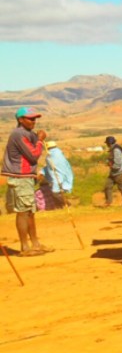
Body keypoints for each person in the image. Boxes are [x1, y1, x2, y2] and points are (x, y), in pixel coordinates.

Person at [3, 107, 52, 256]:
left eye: (34, 118)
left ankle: (35, 244)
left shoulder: (27, 134)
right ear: (20, 120)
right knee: (23, 212)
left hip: (26, 177)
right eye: (30, 118)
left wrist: (37, 139)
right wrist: (40, 140)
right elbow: (33, 155)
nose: (33, 121)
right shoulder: (19, 134)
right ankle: (25, 247)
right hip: (20, 177)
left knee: (30, 212)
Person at [41, 140, 73, 210]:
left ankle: (67, 204)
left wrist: (42, 171)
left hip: (58, 176)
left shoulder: (51, 156)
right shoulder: (60, 153)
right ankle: (60, 207)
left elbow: (50, 167)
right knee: (59, 192)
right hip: (65, 174)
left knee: (55, 192)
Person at [102, 135, 122, 207]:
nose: (106, 145)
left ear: (109, 143)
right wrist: (108, 163)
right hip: (113, 173)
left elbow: (118, 164)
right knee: (107, 186)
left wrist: (111, 165)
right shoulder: (112, 150)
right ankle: (108, 202)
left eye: (107, 143)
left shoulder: (116, 150)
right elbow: (110, 160)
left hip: (119, 173)